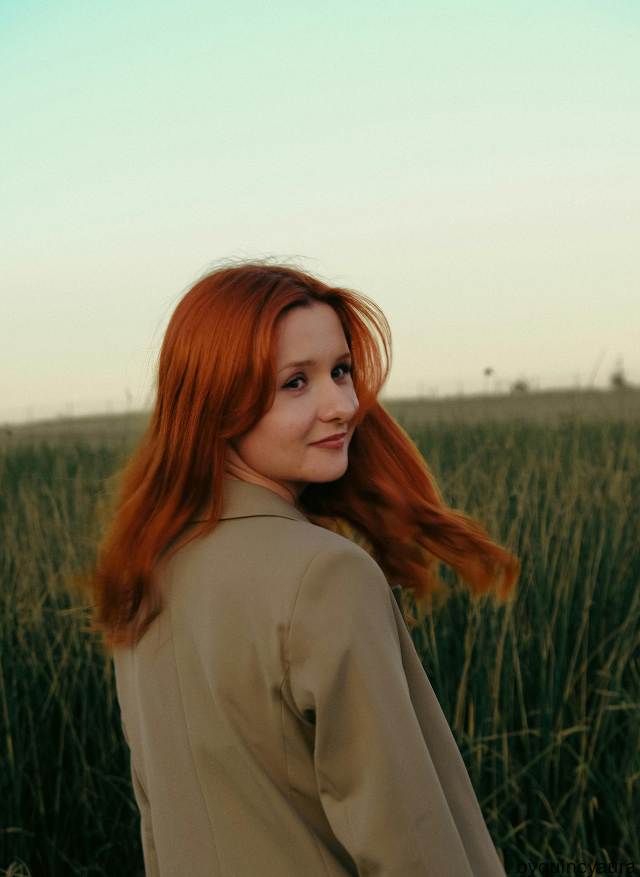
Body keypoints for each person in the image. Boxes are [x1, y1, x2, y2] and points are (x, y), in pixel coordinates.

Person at [83, 259, 519, 876]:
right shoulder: (326, 576)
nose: (343, 404)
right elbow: (408, 842)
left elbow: (161, 819)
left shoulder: (144, 567)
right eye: (296, 382)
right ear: (218, 400)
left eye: (342, 371)